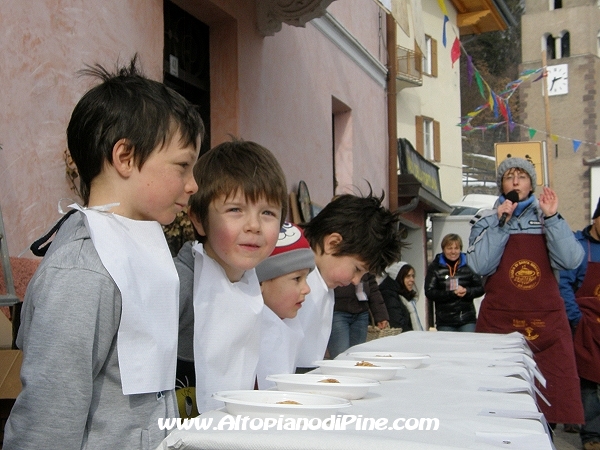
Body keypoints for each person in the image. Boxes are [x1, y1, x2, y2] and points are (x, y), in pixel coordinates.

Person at [4, 56, 204, 450]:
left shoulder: (142, 248)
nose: (193, 184)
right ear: (125, 157)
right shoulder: (85, 270)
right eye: (182, 166)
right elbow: (48, 417)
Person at [467, 157, 584, 425]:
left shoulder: (548, 217)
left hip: (546, 328)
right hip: (498, 324)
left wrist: (553, 218)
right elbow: (478, 265)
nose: (516, 181)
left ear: (531, 184)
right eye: (510, 177)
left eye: (522, 176)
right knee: (498, 403)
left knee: (546, 408)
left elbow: (571, 260)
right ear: (502, 185)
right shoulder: (485, 219)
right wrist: (501, 225)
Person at [174, 138, 287, 414]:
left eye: (268, 213)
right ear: (198, 219)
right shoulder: (179, 285)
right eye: (235, 210)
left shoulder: (251, 285)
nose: (254, 226)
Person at [295, 191, 404, 367]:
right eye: (357, 269)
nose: (355, 281)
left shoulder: (323, 284)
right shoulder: (294, 278)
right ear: (333, 244)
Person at [559, 198, 600, 449]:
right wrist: (577, 318)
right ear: (595, 217)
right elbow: (564, 284)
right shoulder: (578, 246)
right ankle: (592, 435)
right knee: (588, 382)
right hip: (585, 324)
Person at [254, 222, 315, 388]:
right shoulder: (244, 334)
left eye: (306, 278)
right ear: (260, 282)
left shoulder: (288, 323)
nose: (307, 289)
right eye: (297, 279)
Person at [425, 233, 484, 332]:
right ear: (443, 249)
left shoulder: (470, 264)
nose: (453, 252)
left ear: (460, 249)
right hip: (445, 321)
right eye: (449, 248)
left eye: (456, 248)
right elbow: (429, 292)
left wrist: (467, 291)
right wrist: (450, 294)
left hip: (467, 319)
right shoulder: (435, 267)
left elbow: (481, 287)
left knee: (468, 346)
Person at [327, 272, 389, 359]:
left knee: (358, 355)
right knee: (340, 356)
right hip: (338, 310)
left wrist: (380, 314)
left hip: (361, 311)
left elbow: (372, 287)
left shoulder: (366, 260)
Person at [380, 262, 424, 331]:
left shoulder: (406, 297)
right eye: (407, 276)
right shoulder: (389, 296)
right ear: (399, 278)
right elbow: (397, 324)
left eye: (413, 276)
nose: (412, 280)